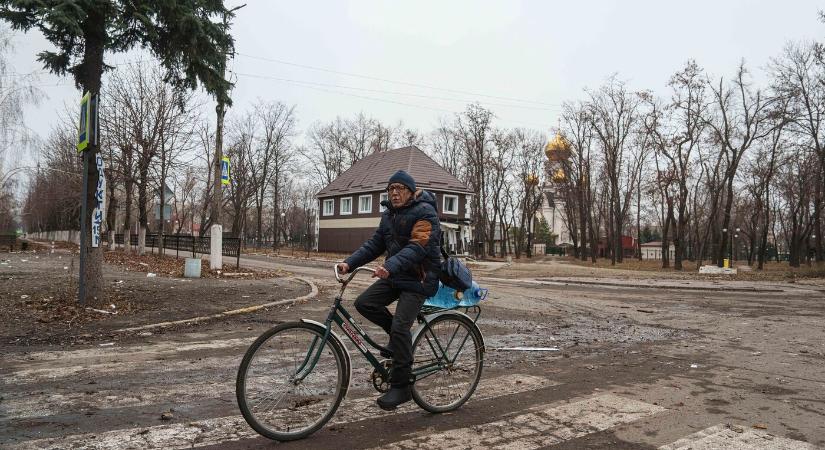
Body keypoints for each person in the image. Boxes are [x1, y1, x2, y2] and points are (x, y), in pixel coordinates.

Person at [336, 170, 442, 410]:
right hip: (396, 274)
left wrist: (389, 266)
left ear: (411, 191)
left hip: (420, 278)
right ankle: (397, 339)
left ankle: (401, 386)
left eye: (400, 188)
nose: (394, 193)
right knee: (365, 303)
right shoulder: (389, 215)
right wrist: (349, 263)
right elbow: (375, 244)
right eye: (391, 189)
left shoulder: (426, 213)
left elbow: (418, 247)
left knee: (400, 326)